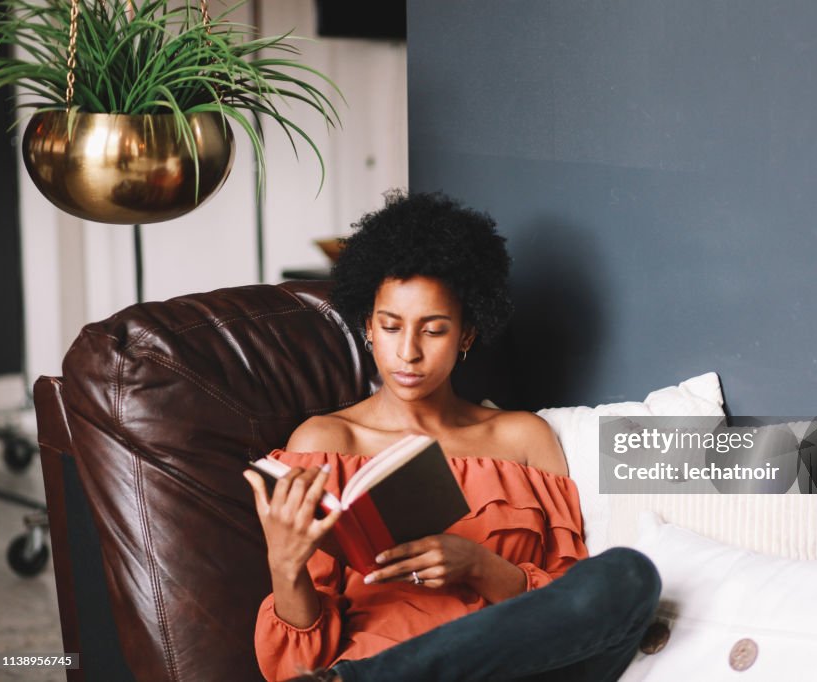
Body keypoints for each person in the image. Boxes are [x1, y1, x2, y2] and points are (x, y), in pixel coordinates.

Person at [242, 192, 661, 682]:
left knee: (629, 576)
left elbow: (573, 611)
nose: (409, 353)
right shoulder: (326, 441)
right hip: (370, 657)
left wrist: (481, 567)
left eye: (434, 330)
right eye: (391, 325)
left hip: (515, 671)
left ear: (466, 335)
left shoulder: (523, 438)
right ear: (368, 327)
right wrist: (285, 565)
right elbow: (298, 665)